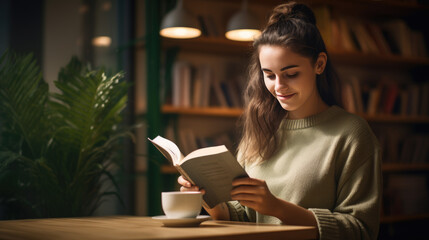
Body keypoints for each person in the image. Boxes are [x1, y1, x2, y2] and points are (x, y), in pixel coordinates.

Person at [178, 2, 382, 239]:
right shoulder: (261, 127)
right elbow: (244, 218)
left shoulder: (351, 134)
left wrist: (276, 208)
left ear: (319, 64)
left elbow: (361, 230)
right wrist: (206, 198)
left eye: (291, 74)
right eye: (269, 75)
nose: (279, 86)